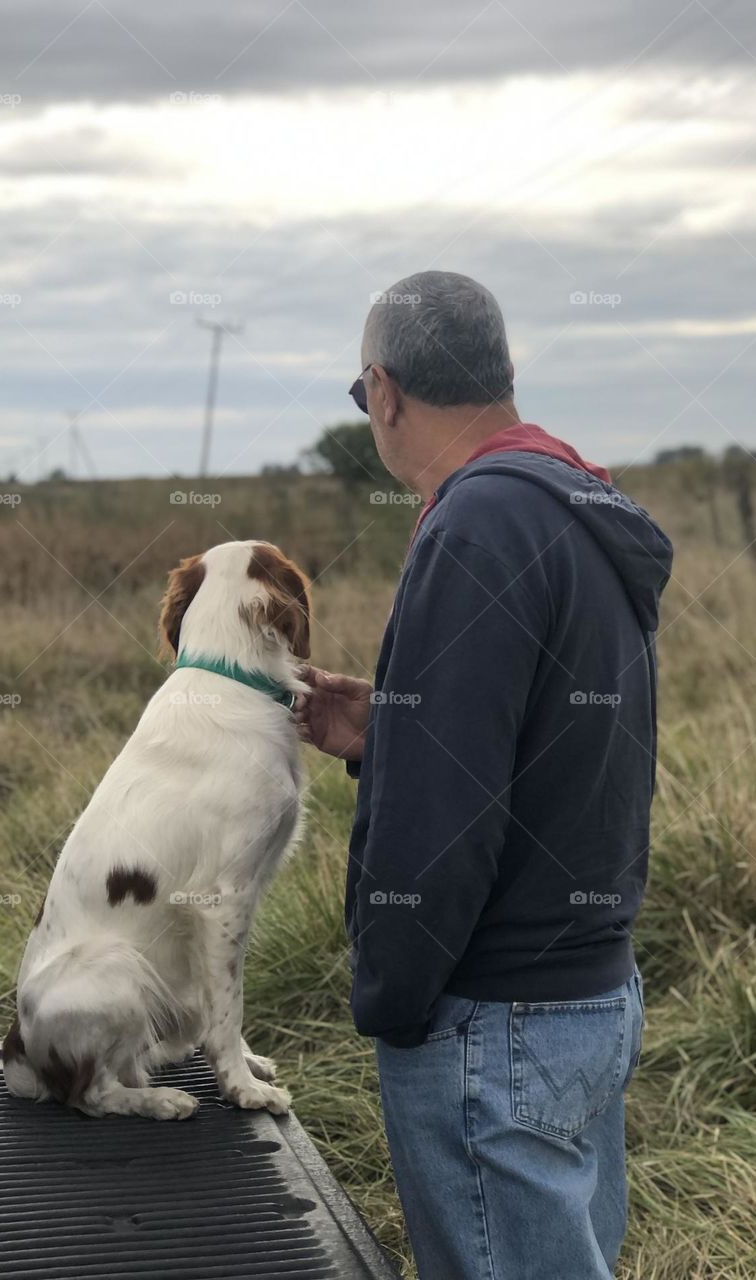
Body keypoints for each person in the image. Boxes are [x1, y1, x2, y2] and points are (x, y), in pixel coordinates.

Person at [295, 270, 672, 1280]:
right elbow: (545, 737)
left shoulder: (476, 524)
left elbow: (444, 812)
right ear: (503, 373)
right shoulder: (575, 500)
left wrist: (396, 996)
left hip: (495, 1024)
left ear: (382, 389)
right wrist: (392, 731)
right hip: (588, 994)